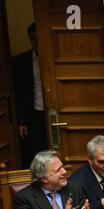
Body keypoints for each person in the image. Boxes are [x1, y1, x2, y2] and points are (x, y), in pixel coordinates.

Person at [13, 22, 48, 168]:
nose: (36, 42)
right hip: (34, 113)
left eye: (38, 38)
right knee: (36, 150)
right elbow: (19, 93)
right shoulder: (22, 61)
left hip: (54, 111)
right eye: (33, 38)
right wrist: (22, 121)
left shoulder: (54, 58)